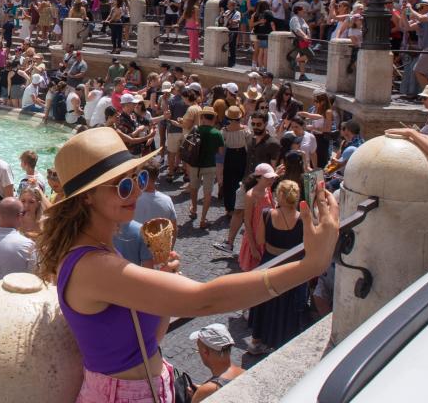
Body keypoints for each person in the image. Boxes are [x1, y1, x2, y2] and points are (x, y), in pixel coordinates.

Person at [38, 128, 337, 402]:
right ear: (87, 197)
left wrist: (160, 286)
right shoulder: (93, 265)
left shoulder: (99, 249)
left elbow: (147, 340)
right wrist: (310, 265)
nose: (138, 192)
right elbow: (204, 300)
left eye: (140, 178)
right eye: (124, 185)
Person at [246, 180, 306, 354]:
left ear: (279, 196)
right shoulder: (302, 217)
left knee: (264, 299)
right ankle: (280, 339)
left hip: (270, 261)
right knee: (285, 304)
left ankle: (257, 340)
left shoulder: (267, 214)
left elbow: (260, 240)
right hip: (291, 264)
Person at [188, 323, 245, 401]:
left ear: (205, 352)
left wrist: (196, 396)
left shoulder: (207, 390)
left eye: (199, 350)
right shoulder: (244, 372)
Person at [239, 164, 277, 272]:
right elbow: (247, 221)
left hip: (267, 235)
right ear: (258, 178)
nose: (271, 180)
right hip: (255, 237)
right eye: (268, 178)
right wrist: (253, 247)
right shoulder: (251, 195)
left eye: (272, 178)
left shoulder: (267, 190)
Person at [192, 107, 225, 228]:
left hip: (195, 164)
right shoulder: (217, 133)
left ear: (202, 117)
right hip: (210, 166)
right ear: (214, 119)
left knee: (194, 188)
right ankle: (203, 219)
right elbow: (221, 153)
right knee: (208, 193)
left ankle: (194, 209)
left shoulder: (195, 130)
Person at [133, 160, 177, 235]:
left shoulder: (132, 200)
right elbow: (174, 229)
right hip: (159, 245)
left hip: (136, 244)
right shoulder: (167, 200)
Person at [220, 106, 249, 216]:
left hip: (230, 156)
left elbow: (221, 148)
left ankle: (230, 208)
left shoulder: (224, 131)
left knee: (229, 182)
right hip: (242, 155)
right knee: (241, 181)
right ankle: (241, 207)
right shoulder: (245, 129)